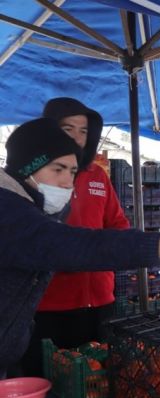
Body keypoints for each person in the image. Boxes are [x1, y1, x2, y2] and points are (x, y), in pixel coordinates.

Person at [0, 117, 160, 379]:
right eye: (57, 169)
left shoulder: (24, 206)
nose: (66, 183)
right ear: (27, 168)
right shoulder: (7, 210)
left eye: (72, 172)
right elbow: (74, 245)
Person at [17, 98, 130, 377]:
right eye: (68, 129)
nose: (78, 138)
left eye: (84, 131)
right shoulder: (30, 176)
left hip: (99, 298)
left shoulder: (97, 176)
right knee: (50, 382)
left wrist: (110, 250)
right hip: (48, 304)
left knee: (96, 381)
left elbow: (117, 224)